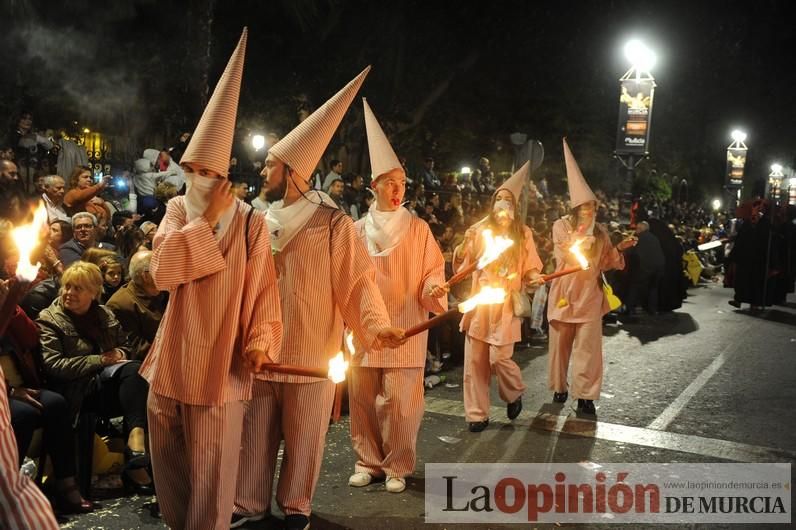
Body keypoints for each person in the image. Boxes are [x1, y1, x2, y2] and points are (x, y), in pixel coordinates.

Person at [234, 66, 404, 530]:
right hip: (262, 350)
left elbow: (356, 282)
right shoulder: (255, 218)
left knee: (305, 438)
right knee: (254, 434)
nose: (263, 170)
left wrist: (375, 324)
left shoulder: (331, 222)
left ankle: (296, 507)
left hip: (312, 353)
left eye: (271, 164)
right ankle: (249, 503)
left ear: (292, 171)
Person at [138, 29, 283, 530]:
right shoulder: (178, 210)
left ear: (222, 172)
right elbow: (162, 272)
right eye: (191, 168)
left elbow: (264, 292)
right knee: (172, 475)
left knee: (213, 482)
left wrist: (262, 341)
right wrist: (206, 221)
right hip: (172, 363)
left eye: (206, 169)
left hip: (221, 368)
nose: (197, 177)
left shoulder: (251, 223)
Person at [348, 99, 447, 493]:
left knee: (402, 404)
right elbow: (346, 281)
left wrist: (433, 288)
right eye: (389, 182)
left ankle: (397, 466)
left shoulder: (419, 229)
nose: (397, 189)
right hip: (364, 332)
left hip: (406, 328)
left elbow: (432, 272)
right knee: (363, 401)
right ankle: (367, 461)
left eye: (402, 183)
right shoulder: (354, 231)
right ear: (374, 186)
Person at [36, 261, 152, 492]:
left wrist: (119, 353)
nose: (69, 293)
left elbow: (125, 345)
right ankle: (135, 451)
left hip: (105, 384)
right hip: (75, 392)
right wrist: (100, 360)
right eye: (67, 286)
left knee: (137, 374)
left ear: (93, 292)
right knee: (133, 376)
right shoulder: (50, 319)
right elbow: (54, 365)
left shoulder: (104, 314)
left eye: (78, 288)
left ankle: (137, 445)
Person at [546, 140, 636, 415]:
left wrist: (619, 249)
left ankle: (585, 396)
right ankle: (559, 386)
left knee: (588, 351)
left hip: (589, 299)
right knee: (559, 349)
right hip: (564, 296)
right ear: (576, 209)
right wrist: (582, 239)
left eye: (593, 208)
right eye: (585, 207)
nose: (590, 212)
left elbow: (607, 262)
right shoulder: (560, 227)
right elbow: (566, 257)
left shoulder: (601, 233)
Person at [453, 161, 543, 432]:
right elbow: (465, 264)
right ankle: (477, 415)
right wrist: (461, 248)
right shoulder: (480, 232)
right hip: (481, 303)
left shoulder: (523, 233)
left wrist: (533, 276)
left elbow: (531, 265)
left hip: (505, 304)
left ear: (515, 208)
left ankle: (513, 392)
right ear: (492, 205)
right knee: (475, 362)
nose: (503, 203)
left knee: (499, 359)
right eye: (499, 199)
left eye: (508, 200)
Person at [0, 280, 61, 529]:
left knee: (55, 404)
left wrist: (11, 305)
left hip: (18, 387)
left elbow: (31, 337)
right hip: (10, 394)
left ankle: (65, 483)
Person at [106, 250, 165, 361]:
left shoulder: (166, 292)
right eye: (160, 266)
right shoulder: (121, 304)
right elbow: (138, 349)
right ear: (146, 276)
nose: (167, 270)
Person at [625, 221, 665, 314]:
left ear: (643, 229)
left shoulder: (638, 238)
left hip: (645, 267)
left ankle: (630, 308)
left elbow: (630, 251)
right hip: (658, 267)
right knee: (653, 288)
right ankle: (652, 309)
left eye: (638, 228)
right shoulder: (654, 237)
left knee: (634, 286)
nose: (636, 230)